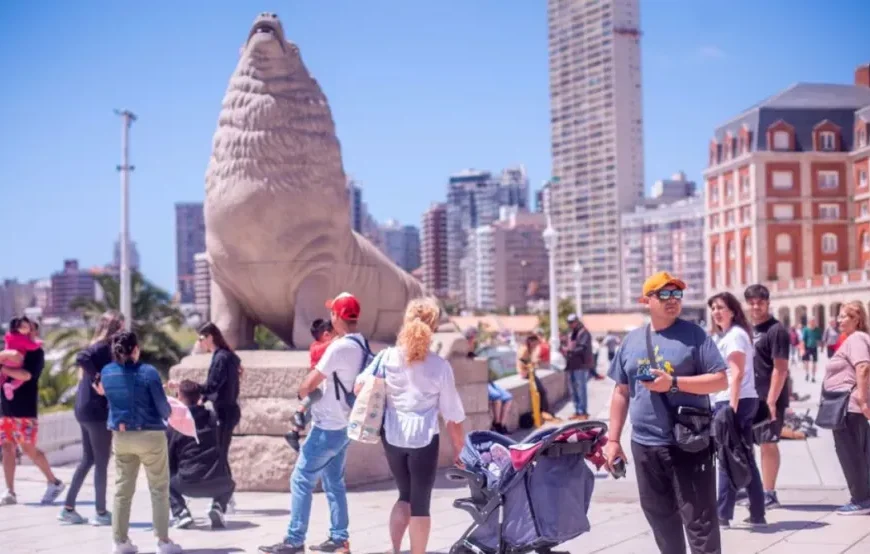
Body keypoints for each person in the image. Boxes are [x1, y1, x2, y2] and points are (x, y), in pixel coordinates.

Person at [604, 271, 727, 554]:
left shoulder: (695, 335)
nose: (672, 299)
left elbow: (720, 380)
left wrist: (673, 383)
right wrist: (613, 440)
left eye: (676, 294)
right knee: (660, 519)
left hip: (688, 443)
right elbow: (621, 391)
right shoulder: (631, 341)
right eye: (664, 294)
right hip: (645, 446)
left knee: (700, 522)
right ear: (646, 300)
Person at [355, 297, 466, 554]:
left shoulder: (386, 357)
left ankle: (396, 550)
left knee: (404, 495)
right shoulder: (439, 366)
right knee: (420, 504)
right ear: (433, 327)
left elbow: (359, 386)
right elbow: (452, 415)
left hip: (392, 436)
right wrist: (460, 449)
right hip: (424, 439)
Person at [259, 292, 367, 554]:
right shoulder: (361, 343)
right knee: (334, 483)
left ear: (337, 316)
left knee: (300, 480)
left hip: (328, 427)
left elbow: (309, 384)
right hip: (346, 425)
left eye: (332, 312)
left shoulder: (338, 348)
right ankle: (339, 539)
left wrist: (302, 395)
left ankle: (294, 540)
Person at [101, 331, 182, 554]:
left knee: (122, 490)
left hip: (121, 437)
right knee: (158, 488)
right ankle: (163, 542)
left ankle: (120, 542)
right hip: (150, 437)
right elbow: (163, 409)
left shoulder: (106, 372)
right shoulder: (148, 372)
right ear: (136, 349)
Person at [59, 310, 125, 525]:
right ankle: (101, 512)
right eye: (122, 326)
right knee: (102, 462)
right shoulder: (103, 348)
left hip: (84, 410)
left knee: (88, 459)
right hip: (96, 413)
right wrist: (98, 378)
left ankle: (68, 508)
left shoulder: (100, 348)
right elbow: (81, 357)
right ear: (116, 327)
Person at [707, 292, 765, 528]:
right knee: (742, 456)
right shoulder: (727, 335)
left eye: (721, 307)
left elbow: (737, 373)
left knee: (728, 457)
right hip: (735, 399)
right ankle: (757, 512)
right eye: (713, 308)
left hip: (735, 401)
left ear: (732, 310)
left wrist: (730, 408)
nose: (716, 312)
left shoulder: (735, 336)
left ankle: (723, 515)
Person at [0, 319, 65, 506]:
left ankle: (54, 482)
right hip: (6, 408)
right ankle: (10, 491)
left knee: (28, 449)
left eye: (30, 329)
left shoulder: (36, 353)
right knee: (7, 448)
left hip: (25, 409)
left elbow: (26, 375)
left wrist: (3, 367)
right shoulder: (10, 348)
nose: (26, 332)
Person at [184, 321, 242, 509]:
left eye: (202, 338)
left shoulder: (221, 358)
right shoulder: (224, 356)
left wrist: (189, 387)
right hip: (226, 411)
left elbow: (212, 386)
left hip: (224, 413)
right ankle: (226, 495)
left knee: (220, 455)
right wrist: (203, 398)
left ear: (210, 337)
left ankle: (225, 495)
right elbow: (217, 388)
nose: (200, 342)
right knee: (219, 454)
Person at [744, 284, 791, 510]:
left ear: (768, 303)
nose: (756, 306)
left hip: (769, 398)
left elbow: (780, 368)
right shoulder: (747, 329)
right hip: (749, 396)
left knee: (767, 443)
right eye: (752, 303)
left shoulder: (776, 330)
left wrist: (771, 401)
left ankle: (769, 493)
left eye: (760, 302)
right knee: (747, 445)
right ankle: (751, 490)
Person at [821, 301, 870, 515]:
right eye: (839, 316)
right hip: (848, 405)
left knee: (849, 452)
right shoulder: (854, 339)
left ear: (857, 319)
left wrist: (862, 398)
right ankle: (863, 496)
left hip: (848, 406)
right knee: (858, 451)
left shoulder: (856, 339)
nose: (839, 320)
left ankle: (860, 499)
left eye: (844, 316)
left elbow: (863, 367)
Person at [169, 380, 236, 530]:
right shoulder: (213, 418)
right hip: (218, 483)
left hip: (188, 483)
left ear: (179, 396)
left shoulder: (176, 423)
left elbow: (169, 455)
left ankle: (181, 512)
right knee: (230, 484)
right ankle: (218, 506)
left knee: (162, 480)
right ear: (199, 397)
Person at [285, 319, 334, 450]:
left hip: (324, 381)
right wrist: (336, 341)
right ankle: (299, 411)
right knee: (318, 393)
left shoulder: (325, 345)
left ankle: (294, 432)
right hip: (317, 381)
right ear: (326, 335)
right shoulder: (316, 346)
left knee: (312, 411)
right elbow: (325, 348)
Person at [0, 317, 42, 400]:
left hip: (11, 363)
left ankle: (10, 386)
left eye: (27, 327)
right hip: (13, 360)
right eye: (23, 327)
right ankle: (11, 386)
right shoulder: (21, 338)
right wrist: (39, 343)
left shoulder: (11, 335)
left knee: (22, 378)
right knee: (19, 379)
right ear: (17, 328)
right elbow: (32, 346)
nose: (26, 329)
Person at [564, 314, 595, 420]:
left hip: (581, 365)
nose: (571, 324)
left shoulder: (584, 332)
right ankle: (577, 411)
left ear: (577, 321)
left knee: (581, 389)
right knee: (573, 390)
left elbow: (582, 348)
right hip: (571, 365)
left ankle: (583, 412)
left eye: (572, 322)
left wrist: (569, 351)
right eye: (569, 323)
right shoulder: (571, 333)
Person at [801, 318, 822, 383]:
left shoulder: (817, 330)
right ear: (809, 322)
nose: (813, 323)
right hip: (807, 347)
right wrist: (803, 349)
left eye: (814, 321)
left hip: (814, 347)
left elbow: (819, 339)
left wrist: (821, 346)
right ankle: (807, 373)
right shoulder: (806, 329)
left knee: (814, 362)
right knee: (806, 362)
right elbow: (803, 340)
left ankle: (813, 377)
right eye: (812, 321)